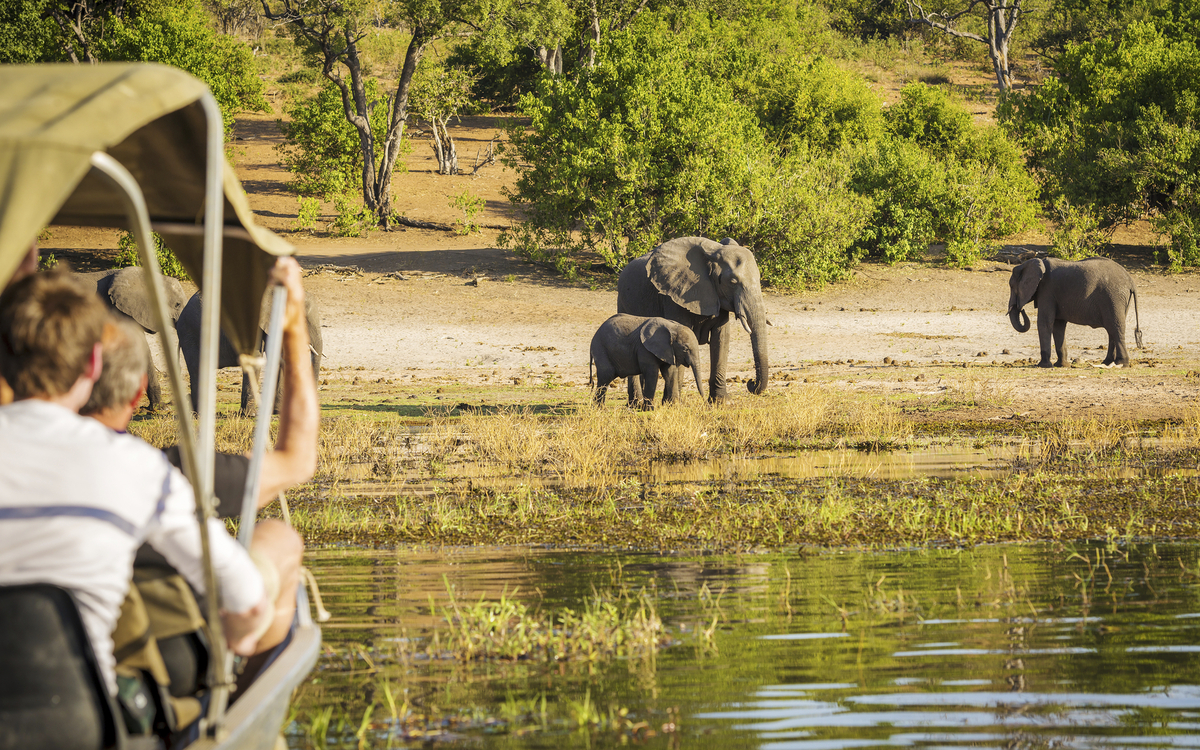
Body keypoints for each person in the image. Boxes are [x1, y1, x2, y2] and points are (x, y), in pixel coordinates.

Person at [0, 269, 278, 697]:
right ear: (93, 365)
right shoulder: (136, 466)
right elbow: (246, 598)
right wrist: (234, 643)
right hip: (85, 714)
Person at [83, 258, 315, 724]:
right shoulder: (157, 475)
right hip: (142, 688)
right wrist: (292, 329)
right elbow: (297, 459)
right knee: (279, 539)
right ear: (137, 394)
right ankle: (231, 717)